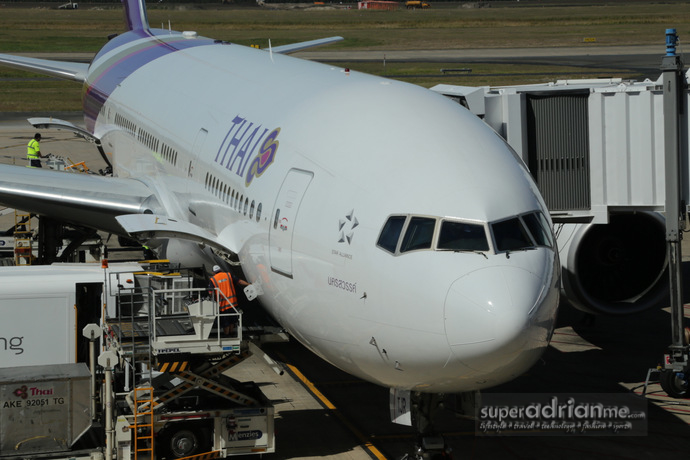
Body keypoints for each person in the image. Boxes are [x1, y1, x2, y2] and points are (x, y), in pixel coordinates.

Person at [208, 265, 249, 337]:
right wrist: (249, 284)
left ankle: (227, 335)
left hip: (223, 305)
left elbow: (210, 292)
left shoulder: (213, 279)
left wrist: (213, 299)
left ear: (213, 272)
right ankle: (231, 333)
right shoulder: (228, 275)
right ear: (221, 270)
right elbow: (240, 281)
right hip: (232, 303)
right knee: (232, 320)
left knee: (225, 322)